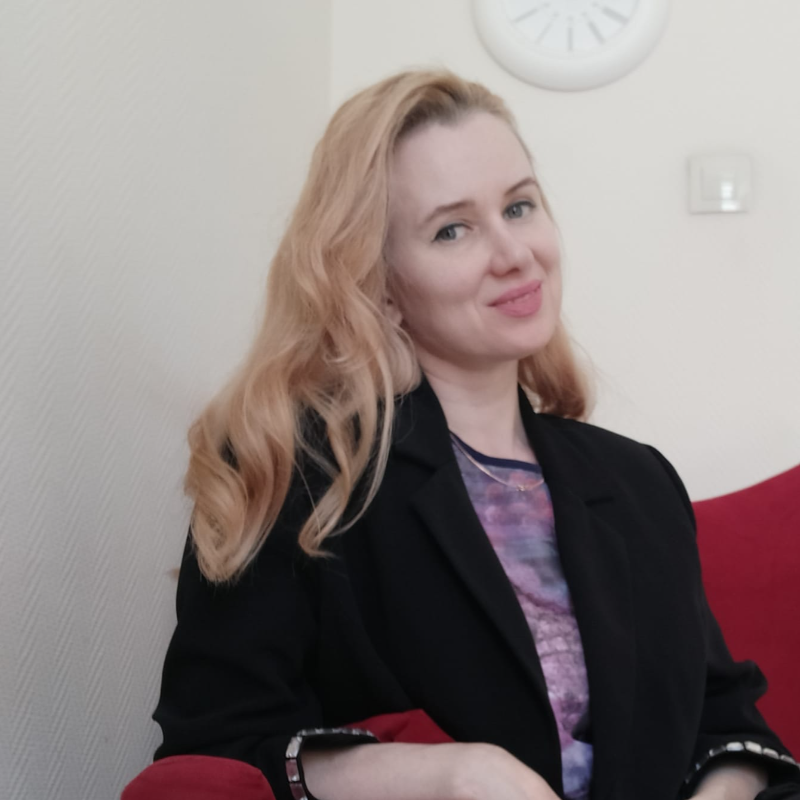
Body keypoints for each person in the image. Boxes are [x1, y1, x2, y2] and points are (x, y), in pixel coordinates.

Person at [152, 70, 800, 800]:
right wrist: (452, 774)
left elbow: (727, 723)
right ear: (380, 285)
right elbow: (214, 750)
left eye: (519, 206)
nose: (513, 252)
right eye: (452, 229)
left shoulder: (639, 481)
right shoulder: (296, 469)